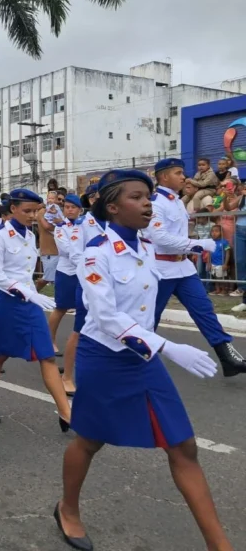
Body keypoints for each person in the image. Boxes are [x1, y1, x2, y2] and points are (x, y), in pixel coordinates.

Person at [56, 169, 231, 551]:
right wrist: (170, 348)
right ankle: (67, 508)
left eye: (148, 196)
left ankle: (220, 546)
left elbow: (171, 250)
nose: (148, 202)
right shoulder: (94, 254)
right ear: (113, 206)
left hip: (143, 357)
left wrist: (201, 245)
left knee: (183, 446)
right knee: (90, 440)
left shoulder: (147, 246)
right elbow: (105, 316)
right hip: (104, 357)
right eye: (137, 197)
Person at [0, 189, 72, 431]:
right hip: (6, 301)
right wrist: (27, 293)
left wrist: (32, 295)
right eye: (27, 211)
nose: (33, 216)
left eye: (36, 211)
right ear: (12, 209)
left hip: (30, 303)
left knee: (47, 356)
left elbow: (27, 272)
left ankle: (66, 412)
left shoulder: (29, 236)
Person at [147, 158, 246, 377]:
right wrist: (197, 244)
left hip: (182, 268)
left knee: (204, 311)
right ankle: (138, 358)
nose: (184, 176)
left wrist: (191, 246)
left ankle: (227, 357)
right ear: (163, 176)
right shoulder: (156, 203)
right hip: (161, 268)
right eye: (178, 173)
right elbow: (160, 238)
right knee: (150, 317)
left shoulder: (176, 200)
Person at [51, 194, 83, 395]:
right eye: (67, 207)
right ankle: (50, 339)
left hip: (83, 272)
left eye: (74, 207)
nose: (70, 210)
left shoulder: (85, 225)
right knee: (61, 307)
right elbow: (66, 250)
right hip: (66, 271)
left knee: (82, 310)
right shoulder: (60, 227)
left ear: (80, 209)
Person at [36, 191, 60, 294]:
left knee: (56, 278)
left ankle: (61, 301)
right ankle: (30, 293)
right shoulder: (42, 212)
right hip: (48, 249)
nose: (51, 200)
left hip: (59, 249)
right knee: (47, 277)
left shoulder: (58, 211)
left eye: (53, 198)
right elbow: (47, 226)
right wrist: (61, 228)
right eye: (49, 198)